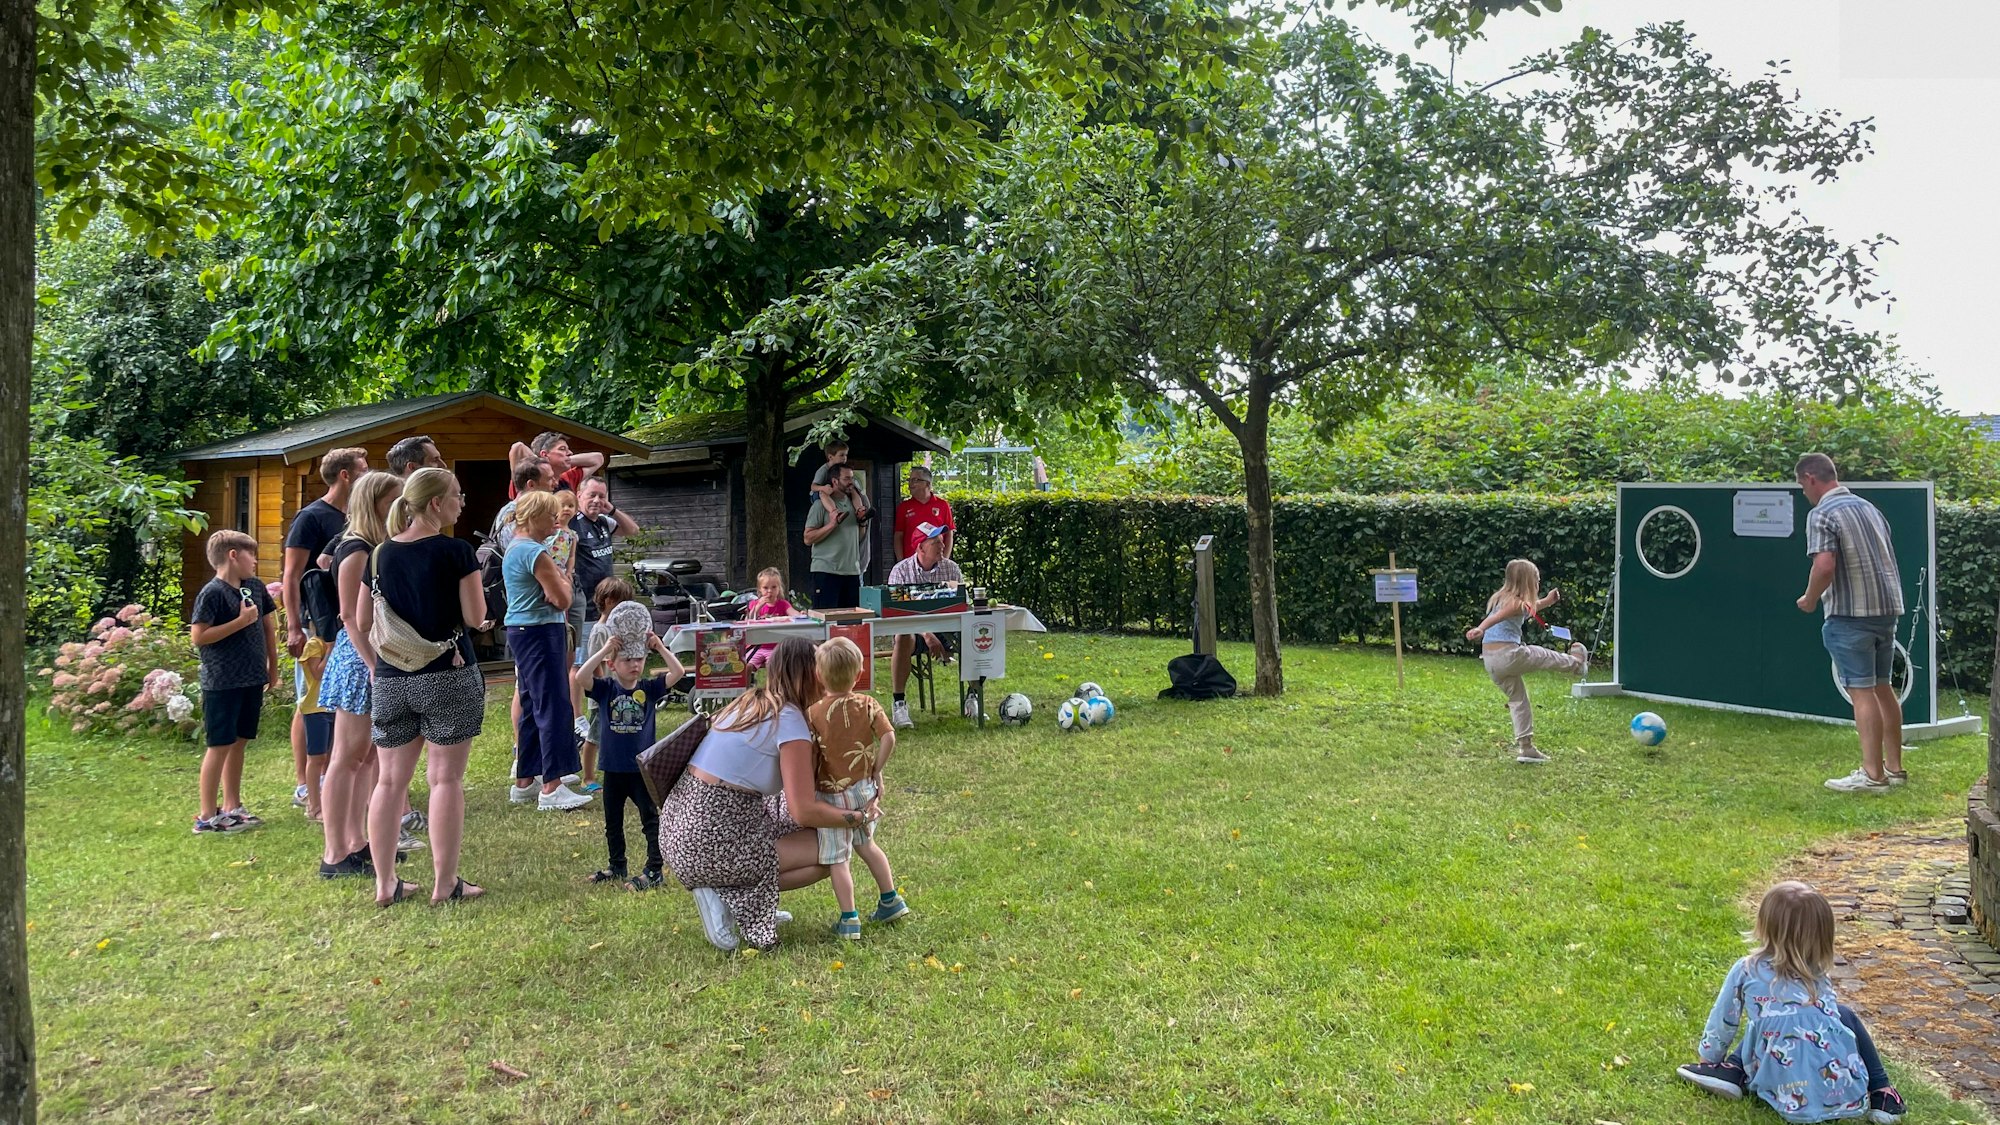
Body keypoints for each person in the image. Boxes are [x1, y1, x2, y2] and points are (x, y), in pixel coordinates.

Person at [661, 637, 880, 952]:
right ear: (809, 674)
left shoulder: (752, 703)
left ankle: (749, 899)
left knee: (816, 837)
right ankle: (727, 896)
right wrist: (856, 818)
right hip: (709, 843)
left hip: (680, 831)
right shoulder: (789, 722)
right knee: (831, 851)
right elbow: (804, 809)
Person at [353, 467, 490, 906]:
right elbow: (473, 617)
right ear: (435, 504)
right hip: (448, 674)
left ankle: (385, 883)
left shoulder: (378, 555)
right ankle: (444, 883)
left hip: (393, 678)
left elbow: (360, 621)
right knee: (444, 780)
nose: (461, 502)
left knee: (389, 783)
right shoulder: (456, 551)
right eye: (457, 495)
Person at [1675, 881, 1905, 1123]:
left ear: (1765, 924)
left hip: (1778, 1077)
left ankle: (1731, 1071)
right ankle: (1882, 1092)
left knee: (1769, 1021)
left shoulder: (1747, 969)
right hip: (1838, 1081)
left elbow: (1723, 1019)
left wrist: (1709, 1059)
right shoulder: (1818, 973)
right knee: (1841, 1014)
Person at [1795, 453, 1908, 794]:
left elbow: (1825, 566)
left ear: (1811, 478)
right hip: (1886, 610)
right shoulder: (1870, 508)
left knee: (1861, 692)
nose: (1803, 492)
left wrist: (1810, 598)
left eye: (1801, 484)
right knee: (1883, 687)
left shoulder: (1822, 514)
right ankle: (1895, 768)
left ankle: (1873, 776)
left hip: (1850, 614)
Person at [316, 470, 403, 879]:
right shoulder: (355, 550)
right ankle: (335, 851)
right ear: (375, 504)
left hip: (373, 659)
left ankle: (358, 840)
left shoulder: (377, 547)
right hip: (358, 661)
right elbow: (351, 616)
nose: (400, 509)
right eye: (393, 501)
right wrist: (373, 668)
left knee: (367, 757)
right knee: (346, 757)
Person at [806, 637, 908, 939]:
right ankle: (890, 898)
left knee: (839, 858)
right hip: (863, 791)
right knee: (867, 846)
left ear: (819, 675)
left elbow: (811, 753)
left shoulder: (813, 713)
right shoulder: (868, 704)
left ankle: (849, 918)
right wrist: (876, 768)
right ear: (860, 670)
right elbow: (889, 737)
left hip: (831, 796)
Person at [283, 447, 369, 805]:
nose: (368, 473)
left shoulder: (358, 516)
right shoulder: (312, 517)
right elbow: (291, 574)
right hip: (316, 622)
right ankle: (305, 783)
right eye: (363, 469)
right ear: (345, 475)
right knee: (311, 704)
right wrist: (293, 625)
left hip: (349, 621)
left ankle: (337, 775)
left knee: (340, 704)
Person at [570, 629, 684, 891]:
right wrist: (604, 650)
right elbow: (580, 676)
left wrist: (660, 647)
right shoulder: (606, 689)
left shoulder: (649, 688)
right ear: (612, 665)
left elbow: (677, 673)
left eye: (639, 659)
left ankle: (654, 869)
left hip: (640, 771)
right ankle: (617, 865)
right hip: (612, 769)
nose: (634, 665)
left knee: (650, 819)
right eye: (626, 660)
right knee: (613, 821)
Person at [503, 491, 592, 811]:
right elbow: (563, 599)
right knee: (553, 705)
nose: (556, 520)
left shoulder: (515, 547)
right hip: (542, 632)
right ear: (534, 517)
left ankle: (525, 781)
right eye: (550, 515)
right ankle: (553, 787)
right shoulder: (536, 553)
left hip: (521, 631)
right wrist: (565, 578)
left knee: (531, 704)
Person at [189, 530, 278, 834]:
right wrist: (239, 622)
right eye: (250, 554)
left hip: (251, 677)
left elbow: (267, 626)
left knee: (239, 742)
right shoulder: (212, 593)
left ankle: (233, 805)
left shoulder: (254, 586)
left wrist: (272, 666)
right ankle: (206, 816)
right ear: (232, 555)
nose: (255, 560)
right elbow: (199, 636)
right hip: (222, 681)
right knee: (220, 744)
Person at [1464, 559, 1588, 765]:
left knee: (1519, 701)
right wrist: (1481, 628)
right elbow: (1499, 618)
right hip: (1507, 655)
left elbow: (1529, 608)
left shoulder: (1501, 599)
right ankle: (1576, 664)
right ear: (1527, 582)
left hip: (1491, 662)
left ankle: (1526, 748)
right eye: (1537, 580)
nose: (1538, 584)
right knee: (1542, 654)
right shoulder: (1513, 603)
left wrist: (1547, 601)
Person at [886, 523, 965, 730]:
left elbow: (961, 605)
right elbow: (899, 613)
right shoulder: (900, 571)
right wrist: (927, 633)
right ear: (920, 548)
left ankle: (973, 697)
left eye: (941, 540)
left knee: (975, 633)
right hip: (913, 630)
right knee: (903, 635)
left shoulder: (951, 568)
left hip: (947, 627)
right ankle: (899, 702)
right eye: (935, 542)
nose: (942, 545)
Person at [578, 577, 641, 791]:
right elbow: (595, 661)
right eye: (620, 603)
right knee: (595, 736)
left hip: (622, 691)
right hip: (604, 694)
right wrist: (603, 687)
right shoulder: (600, 631)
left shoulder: (618, 629)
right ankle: (587, 777)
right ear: (607, 601)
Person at [571, 476, 638, 646]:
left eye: (601, 496)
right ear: (579, 495)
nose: (596, 500)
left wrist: (612, 510)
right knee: (584, 660)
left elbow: (632, 530)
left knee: (606, 659)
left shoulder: (603, 522)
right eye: (591, 495)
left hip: (607, 608)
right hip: (584, 607)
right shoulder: (572, 524)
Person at [803, 463, 867, 610]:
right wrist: (832, 525)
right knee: (827, 623)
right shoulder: (820, 506)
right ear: (835, 481)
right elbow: (807, 538)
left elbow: (858, 537)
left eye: (852, 478)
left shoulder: (855, 504)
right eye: (846, 478)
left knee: (853, 625)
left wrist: (862, 523)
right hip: (826, 573)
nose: (851, 482)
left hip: (852, 572)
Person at [507, 430, 602, 497]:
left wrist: (566, 460)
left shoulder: (567, 478)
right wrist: (543, 464)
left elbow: (598, 458)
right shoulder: (528, 480)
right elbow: (518, 447)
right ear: (544, 454)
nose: (570, 453)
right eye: (562, 449)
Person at [894, 465, 955, 561]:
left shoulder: (943, 505)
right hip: (911, 564)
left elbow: (949, 534)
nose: (910, 484)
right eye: (909, 480)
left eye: (915, 480)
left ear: (927, 484)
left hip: (936, 562)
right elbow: (898, 536)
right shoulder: (904, 507)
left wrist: (945, 560)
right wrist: (901, 561)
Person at [743, 567, 794, 672]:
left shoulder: (783, 604)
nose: (769, 591)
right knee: (746, 667)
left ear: (779, 588)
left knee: (773, 667)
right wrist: (758, 607)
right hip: (756, 646)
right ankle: (747, 688)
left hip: (775, 647)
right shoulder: (754, 604)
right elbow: (747, 621)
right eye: (765, 588)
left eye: (774, 587)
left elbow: (793, 614)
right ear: (760, 590)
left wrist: (801, 614)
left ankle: (770, 688)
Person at [809, 440, 852, 522]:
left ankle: (860, 509)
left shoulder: (840, 468)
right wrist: (823, 488)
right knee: (823, 493)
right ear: (830, 457)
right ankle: (835, 512)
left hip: (831, 491)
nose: (844, 458)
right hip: (818, 494)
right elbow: (813, 487)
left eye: (846, 455)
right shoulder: (823, 470)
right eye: (841, 455)